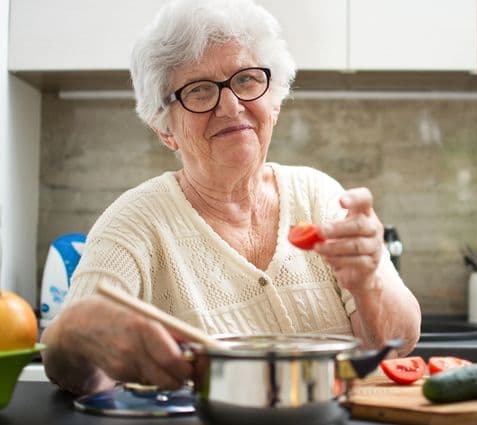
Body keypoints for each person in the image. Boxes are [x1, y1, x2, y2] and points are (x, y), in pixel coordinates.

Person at [41, 0, 421, 396]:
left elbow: (397, 346)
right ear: (164, 128)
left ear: (273, 99)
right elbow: (65, 360)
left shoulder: (320, 195)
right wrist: (74, 332)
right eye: (199, 90)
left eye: (245, 80)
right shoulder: (134, 222)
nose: (231, 106)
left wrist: (369, 281)